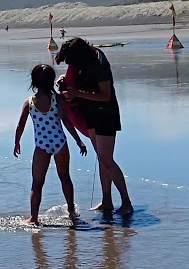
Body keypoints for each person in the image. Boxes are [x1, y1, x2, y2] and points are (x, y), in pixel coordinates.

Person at [57, 37, 133, 216]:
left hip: (106, 113)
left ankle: (126, 202)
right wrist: (65, 81)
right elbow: (79, 81)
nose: (70, 64)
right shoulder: (82, 60)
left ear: (80, 54)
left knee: (107, 159)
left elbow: (105, 95)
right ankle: (107, 201)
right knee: (101, 158)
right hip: (90, 113)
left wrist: (78, 93)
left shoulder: (99, 63)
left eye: (71, 61)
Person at [13, 63, 83, 226]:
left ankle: (34, 217)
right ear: (51, 81)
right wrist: (78, 140)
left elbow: (20, 125)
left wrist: (17, 142)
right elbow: (66, 121)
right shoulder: (57, 99)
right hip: (60, 142)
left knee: (37, 183)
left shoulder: (30, 102)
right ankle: (71, 211)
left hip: (42, 146)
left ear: (34, 82)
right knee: (65, 178)